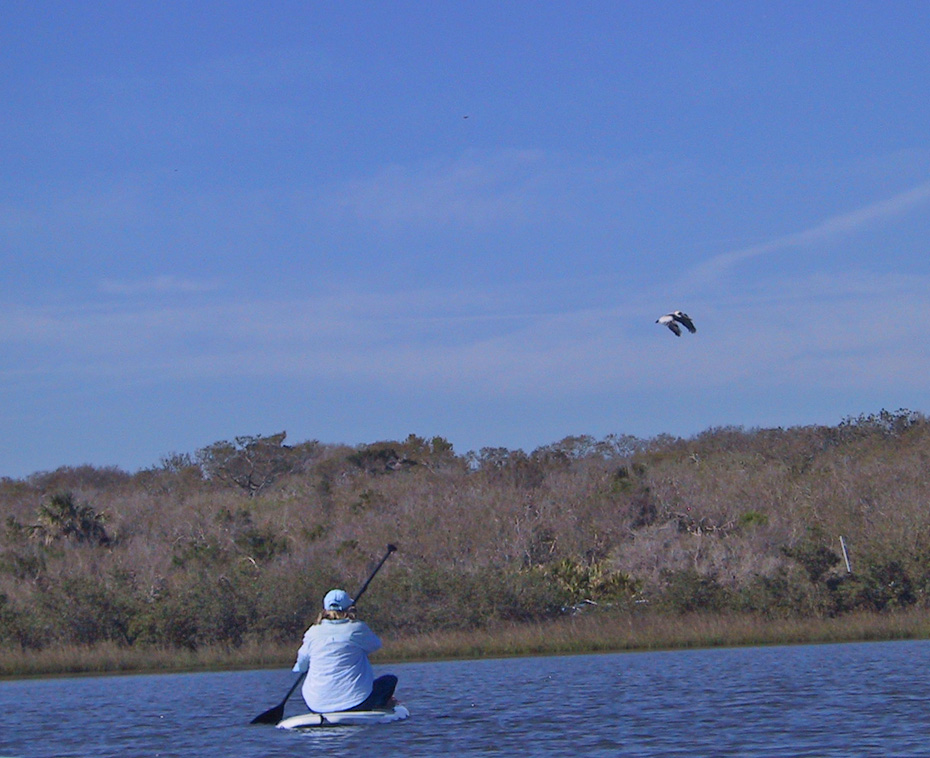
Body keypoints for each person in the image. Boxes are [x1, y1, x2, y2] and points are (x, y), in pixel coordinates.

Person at [292, 588, 398, 713]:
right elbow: (375, 645)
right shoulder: (357, 628)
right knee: (390, 680)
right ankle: (381, 705)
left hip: (316, 705)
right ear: (349, 608)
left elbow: (301, 665)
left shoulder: (312, 632)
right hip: (355, 703)